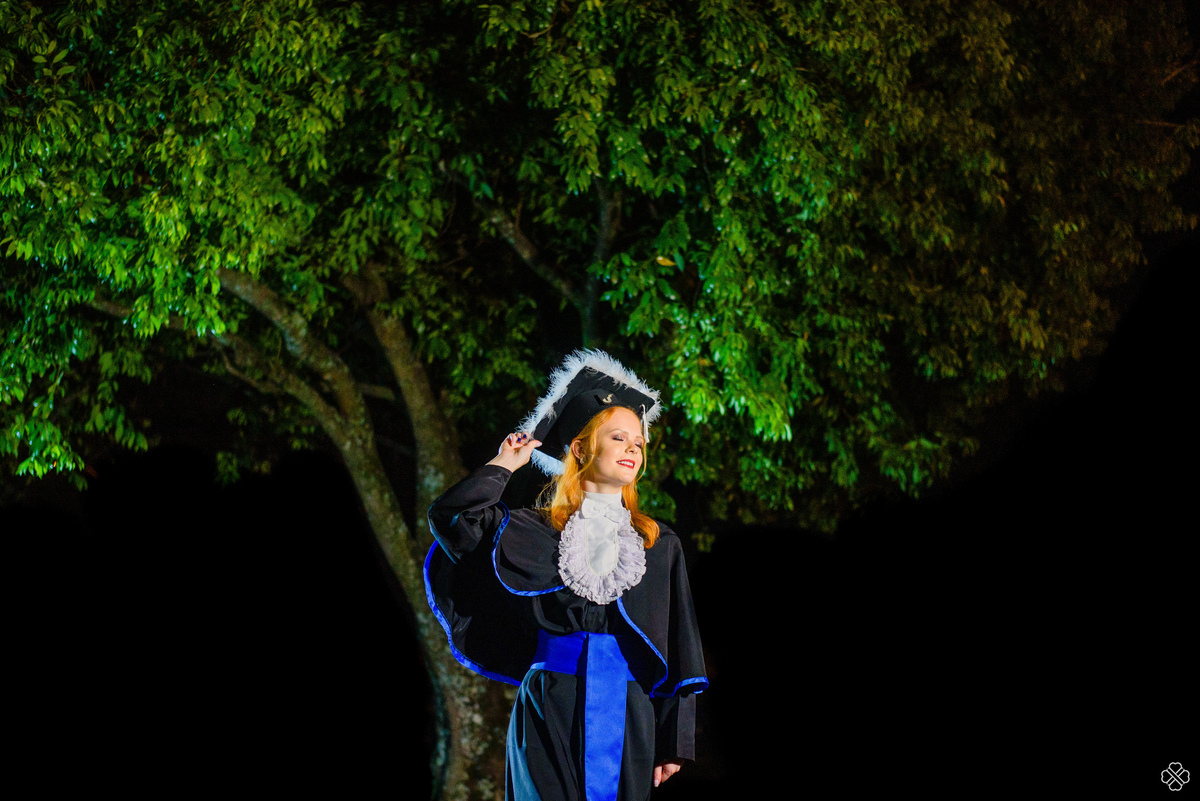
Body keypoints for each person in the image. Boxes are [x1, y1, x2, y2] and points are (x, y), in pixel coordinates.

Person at [424, 350, 708, 801]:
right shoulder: (533, 531)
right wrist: (505, 464)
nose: (633, 448)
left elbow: (679, 643)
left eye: (638, 442)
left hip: (629, 710)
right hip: (548, 702)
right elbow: (452, 517)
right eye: (618, 437)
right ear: (580, 448)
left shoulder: (658, 545)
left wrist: (675, 738)